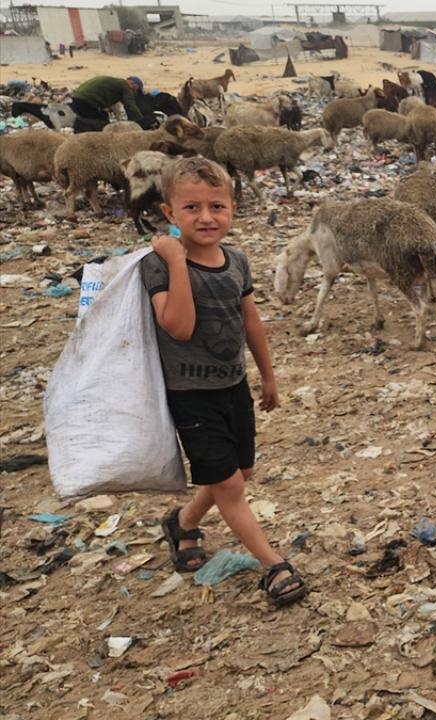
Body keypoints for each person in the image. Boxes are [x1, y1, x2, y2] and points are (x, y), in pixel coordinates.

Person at [142, 157, 306, 608]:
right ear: (169, 213)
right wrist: (177, 261)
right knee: (230, 485)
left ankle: (183, 522)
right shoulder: (158, 266)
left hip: (233, 386)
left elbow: (250, 321)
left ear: (233, 207)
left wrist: (268, 376)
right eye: (191, 208)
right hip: (189, 395)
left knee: (241, 472)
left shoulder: (237, 261)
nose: (206, 217)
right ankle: (273, 565)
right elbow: (179, 327)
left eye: (217, 206)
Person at [70, 75, 147, 127]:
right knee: (103, 125)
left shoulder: (116, 83)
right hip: (87, 101)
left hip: (76, 98)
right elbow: (130, 105)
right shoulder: (125, 85)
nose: (135, 93)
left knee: (91, 121)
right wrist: (141, 121)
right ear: (133, 84)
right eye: (137, 90)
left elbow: (126, 106)